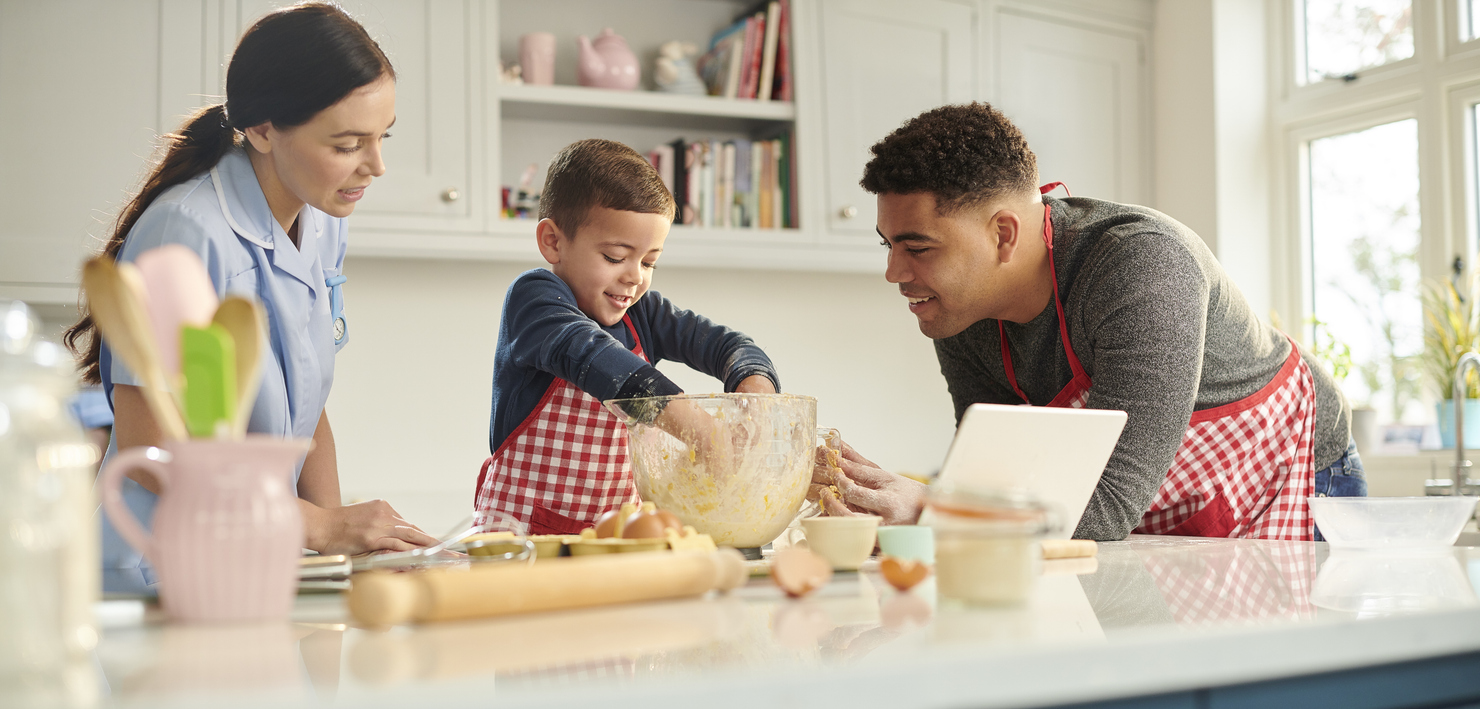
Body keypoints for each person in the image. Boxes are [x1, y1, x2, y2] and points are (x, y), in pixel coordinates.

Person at [813, 103, 1363, 541]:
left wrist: (931, 509)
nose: (893, 272)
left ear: (1003, 234)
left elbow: (1108, 503)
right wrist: (892, 503)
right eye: (889, 246)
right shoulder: (960, 311)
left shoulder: (1141, 265)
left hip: (1294, 476)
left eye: (917, 247)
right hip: (1152, 506)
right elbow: (994, 480)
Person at [65, 3, 438, 573]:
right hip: (162, 572)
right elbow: (146, 451)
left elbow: (306, 407)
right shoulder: (185, 233)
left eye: (382, 136)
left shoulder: (323, 218)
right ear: (264, 130)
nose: (376, 165)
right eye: (347, 145)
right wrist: (321, 526)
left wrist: (336, 553)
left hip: (260, 564)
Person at [476, 139, 780, 535]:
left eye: (649, 261)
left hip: (615, 541)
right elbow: (594, 357)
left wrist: (755, 397)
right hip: (520, 541)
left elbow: (731, 346)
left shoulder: (644, 314)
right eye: (615, 257)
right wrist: (701, 430)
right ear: (553, 241)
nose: (635, 276)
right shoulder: (535, 302)